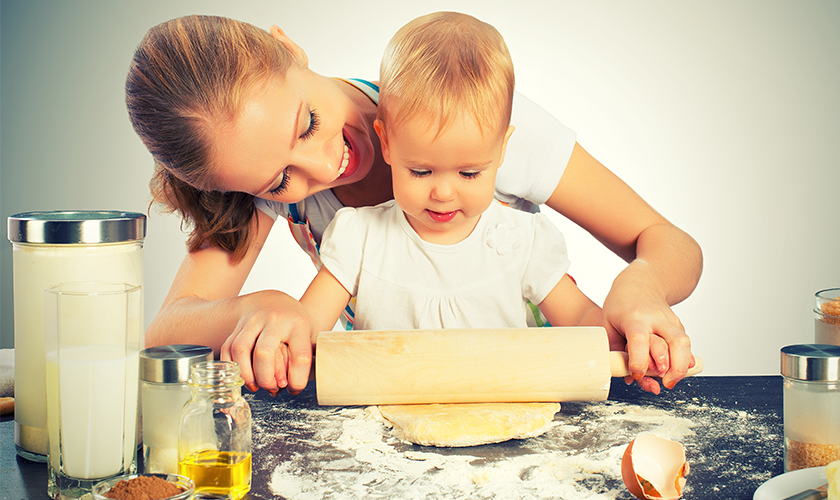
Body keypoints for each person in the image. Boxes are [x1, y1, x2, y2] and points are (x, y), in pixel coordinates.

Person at [125, 13, 703, 397]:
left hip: (522, 388)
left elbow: (663, 237)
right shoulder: (260, 181)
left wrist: (642, 289)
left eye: (309, 124)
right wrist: (264, 307)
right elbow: (167, 327)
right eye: (280, 180)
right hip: (395, 405)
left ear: (288, 49)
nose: (325, 168)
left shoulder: (474, 117)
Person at [297, 11, 602, 341]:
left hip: (504, 393)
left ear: (501, 150)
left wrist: (625, 335)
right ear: (386, 143)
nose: (443, 192)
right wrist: (285, 338)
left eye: (469, 173)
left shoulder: (522, 241)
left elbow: (582, 317)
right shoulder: (360, 238)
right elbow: (307, 327)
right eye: (420, 171)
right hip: (388, 394)